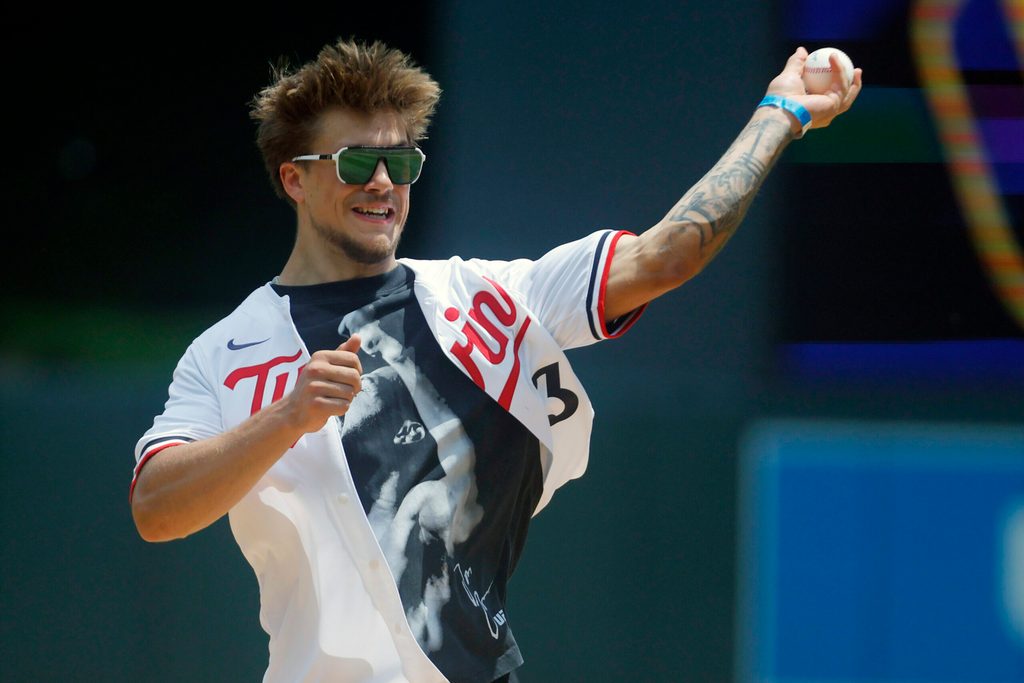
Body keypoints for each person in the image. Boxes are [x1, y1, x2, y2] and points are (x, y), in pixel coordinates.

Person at [130, 37, 861, 683]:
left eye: (401, 160)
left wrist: (781, 114)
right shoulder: (225, 349)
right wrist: (284, 417)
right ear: (294, 178)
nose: (383, 181)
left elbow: (667, 254)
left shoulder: (483, 296)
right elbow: (156, 509)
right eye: (357, 160)